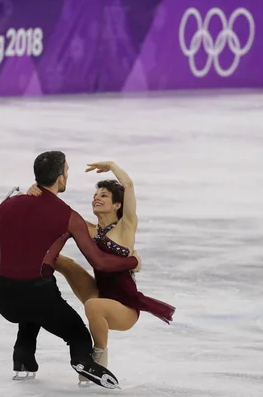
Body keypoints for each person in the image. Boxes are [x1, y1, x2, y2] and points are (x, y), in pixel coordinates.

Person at [0, 151, 139, 389]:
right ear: (60, 178)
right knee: (77, 334)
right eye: (66, 171)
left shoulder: (6, 205)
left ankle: (23, 362)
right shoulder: (70, 217)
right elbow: (99, 262)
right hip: (40, 298)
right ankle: (81, 360)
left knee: (29, 312)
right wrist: (132, 262)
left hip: (3, 298)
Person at [27, 161, 175, 386]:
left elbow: (129, 186)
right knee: (63, 262)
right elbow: (57, 211)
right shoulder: (90, 229)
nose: (97, 198)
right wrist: (35, 192)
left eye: (104, 195)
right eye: (95, 194)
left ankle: (98, 356)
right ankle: (33, 289)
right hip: (99, 292)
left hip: (124, 307)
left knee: (93, 306)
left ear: (117, 205)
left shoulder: (125, 227)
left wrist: (113, 166)